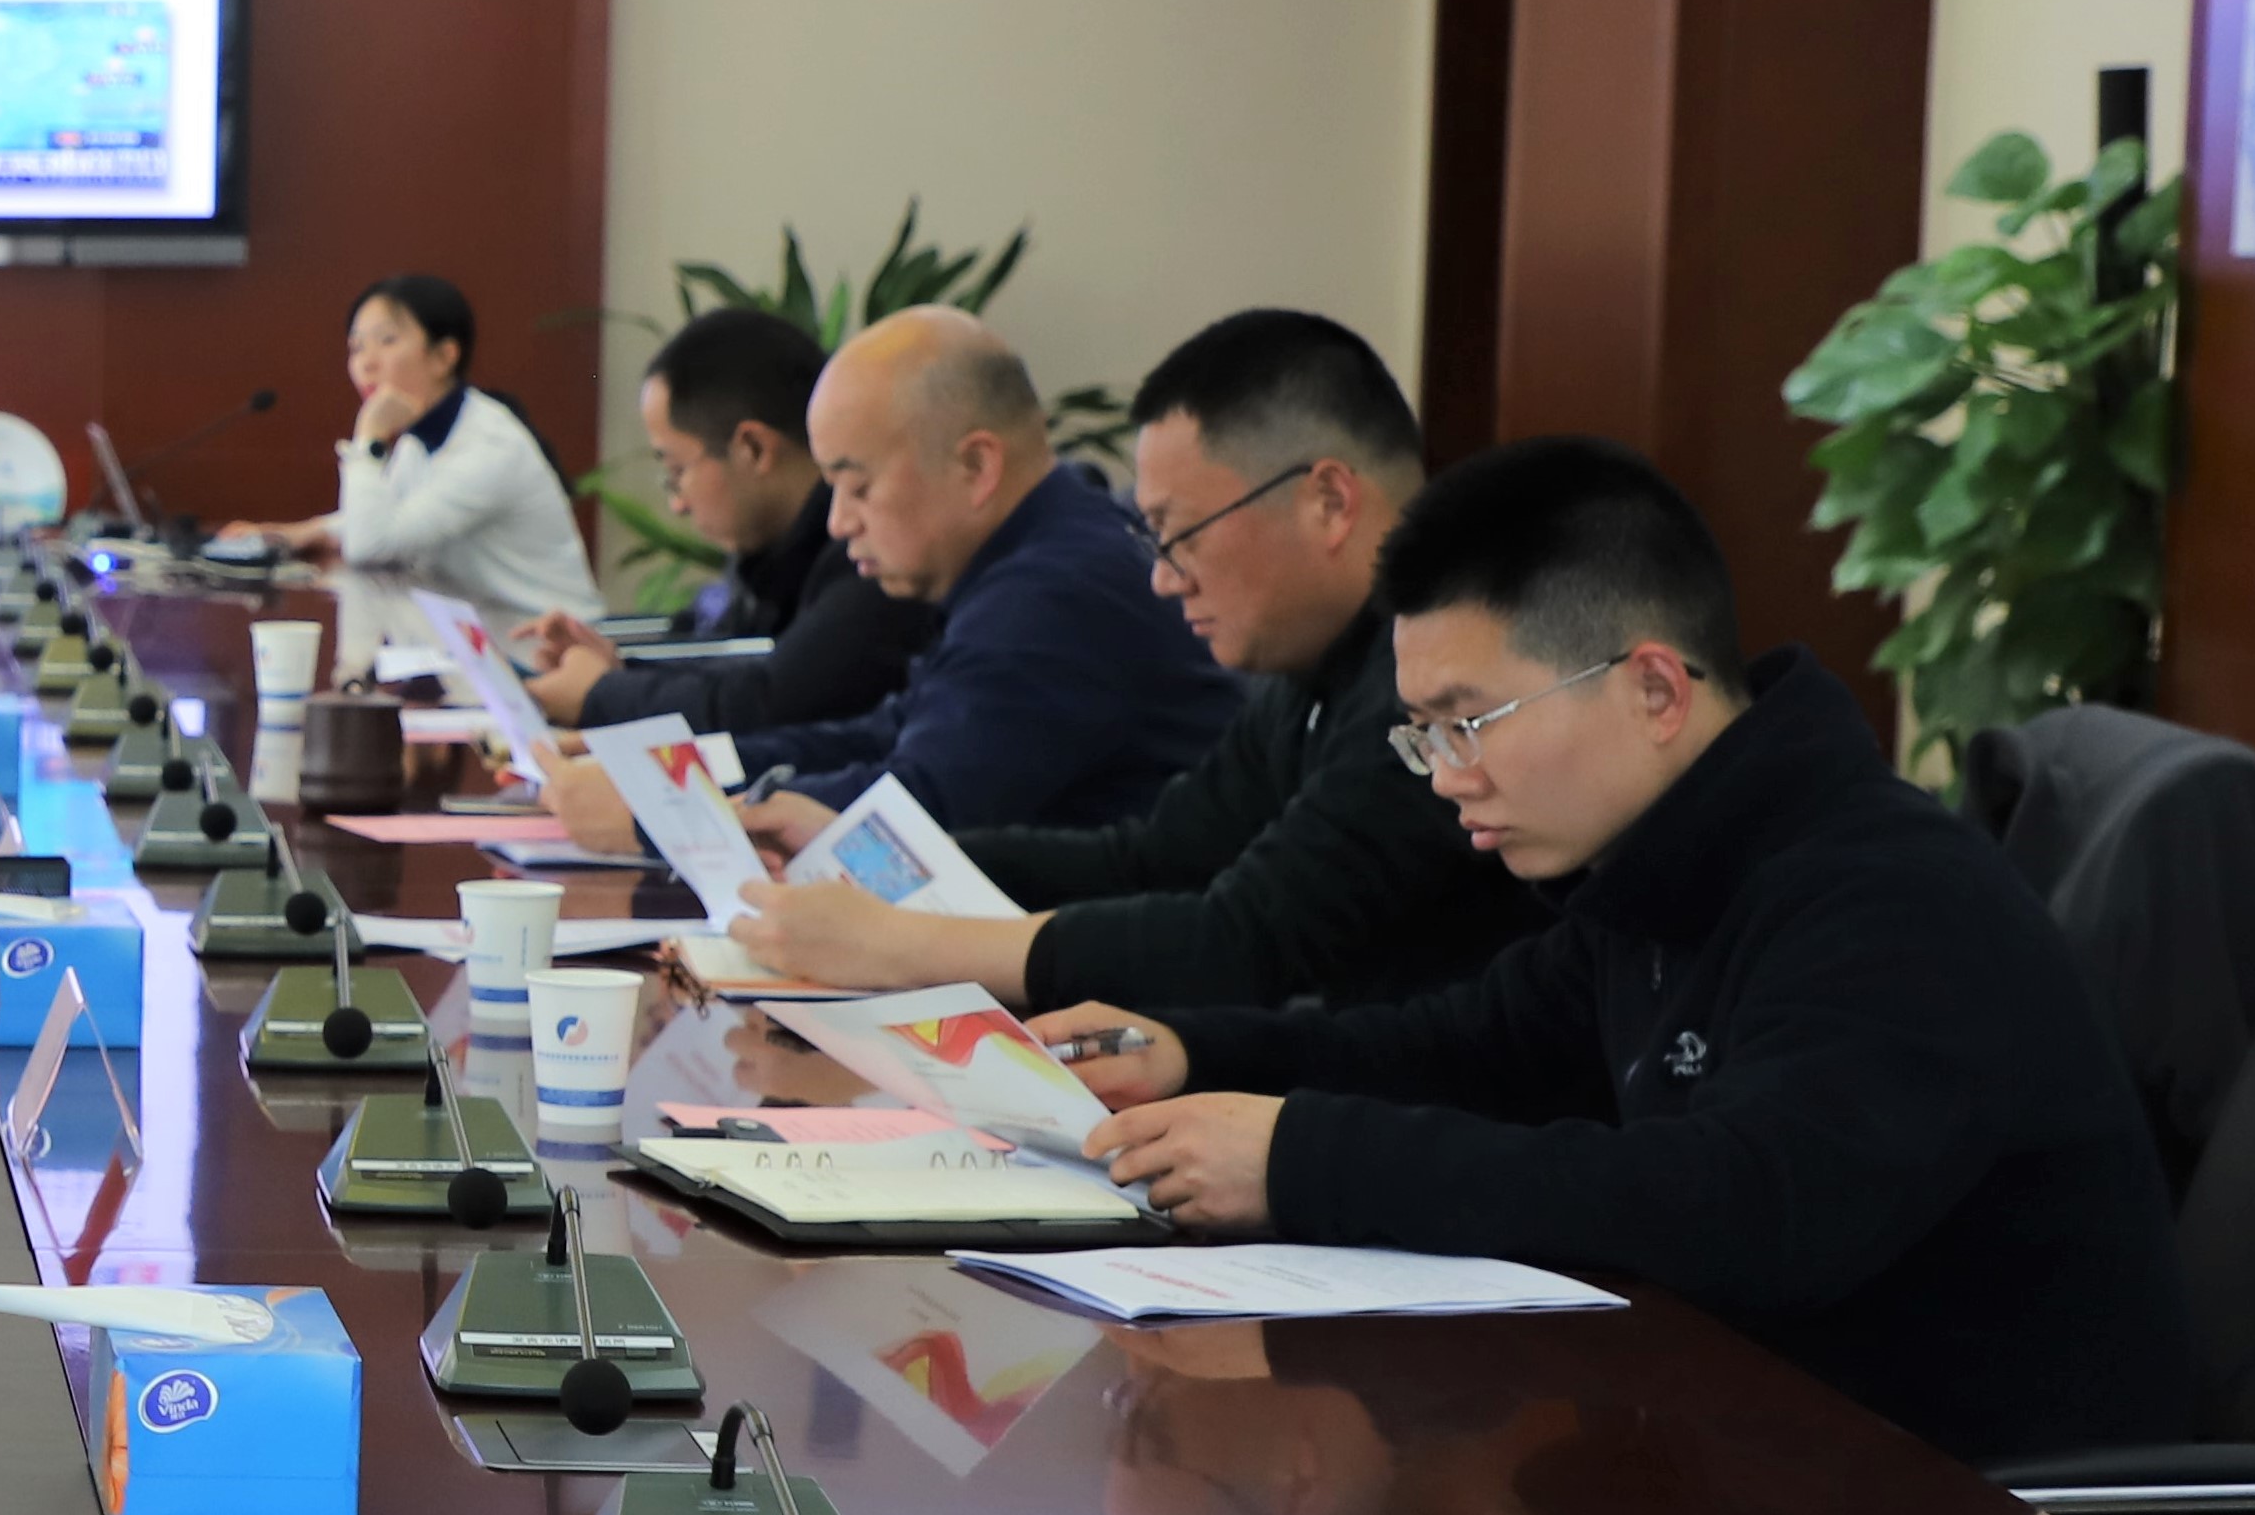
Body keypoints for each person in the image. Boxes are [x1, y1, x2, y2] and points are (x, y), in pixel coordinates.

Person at [1056, 437, 2186, 1473]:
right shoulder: (1667, 863)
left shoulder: (1888, 900)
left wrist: (1300, 1157)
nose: (1446, 777)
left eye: (1467, 723)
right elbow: (1465, 1048)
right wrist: (1187, 1055)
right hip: (1745, 1453)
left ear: (1653, 689)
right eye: (1422, 735)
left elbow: (1742, 1209)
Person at [723, 309, 1540, 1012]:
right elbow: (1152, 858)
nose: (1162, 577)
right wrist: (870, 853)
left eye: (1178, 534)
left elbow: (1243, 941)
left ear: (1326, 501)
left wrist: (906, 947)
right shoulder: (1313, 671)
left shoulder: (1436, 681)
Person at [559, 306, 1225, 846]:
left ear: (975, 467)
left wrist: (669, 812)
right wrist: (672, 769)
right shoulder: (1026, 559)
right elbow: (882, 733)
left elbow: (915, 811)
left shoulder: (1055, 593)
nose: (838, 522)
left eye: (857, 486)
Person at [510, 304, 931, 738]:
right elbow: (732, 672)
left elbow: (772, 704)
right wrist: (615, 672)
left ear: (753, 449)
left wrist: (601, 695)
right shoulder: (769, 557)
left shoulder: (872, 551)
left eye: (677, 471)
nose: (677, 504)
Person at [224, 272, 594, 624]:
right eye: (357, 347)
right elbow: (394, 517)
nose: (366, 363)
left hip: (552, 648)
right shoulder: (423, 437)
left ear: (444, 356)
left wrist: (369, 439)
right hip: (488, 640)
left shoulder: (488, 448)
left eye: (387, 341)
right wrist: (305, 532)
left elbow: (370, 546)